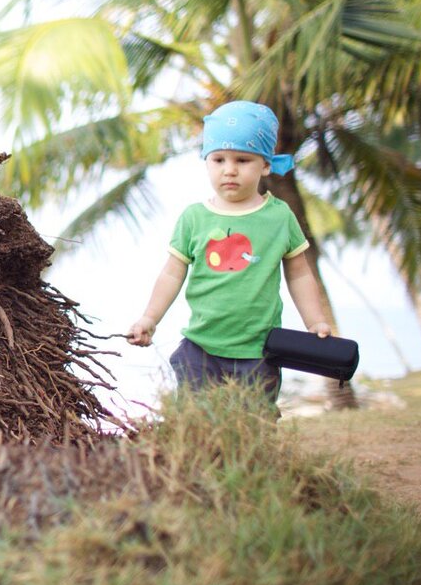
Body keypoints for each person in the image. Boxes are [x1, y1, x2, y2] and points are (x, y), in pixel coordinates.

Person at [126, 100, 331, 405]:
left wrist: (314, 321)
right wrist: (149, 318)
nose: (229, 170)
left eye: (243, 160)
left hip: (259, 350)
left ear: (265, 164)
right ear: (206, 161)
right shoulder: (194, 217)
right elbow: (172, 273)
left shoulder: (279, 217)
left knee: (254, 423)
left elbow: (299, 274)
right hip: (200, 347)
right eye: (218, 159)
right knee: (196, 421)